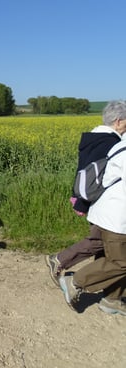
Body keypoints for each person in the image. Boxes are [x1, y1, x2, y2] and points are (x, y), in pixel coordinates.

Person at [46, 101, 126, 285]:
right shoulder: (110, 143)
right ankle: (74, 279)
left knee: (99, 241)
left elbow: (85, 171)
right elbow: (98, 175)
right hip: (104, 202)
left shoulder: (95, 137)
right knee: (108, 248)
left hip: (94, 200)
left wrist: (79, 199)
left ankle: (62, 262)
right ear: (118, 121)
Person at [59, 137, 126, 315]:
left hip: (107, 212)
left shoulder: (121, 144)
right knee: (120, 262)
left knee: (114, 257)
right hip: (117, 217)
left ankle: (112, 299)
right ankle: (76, 282)